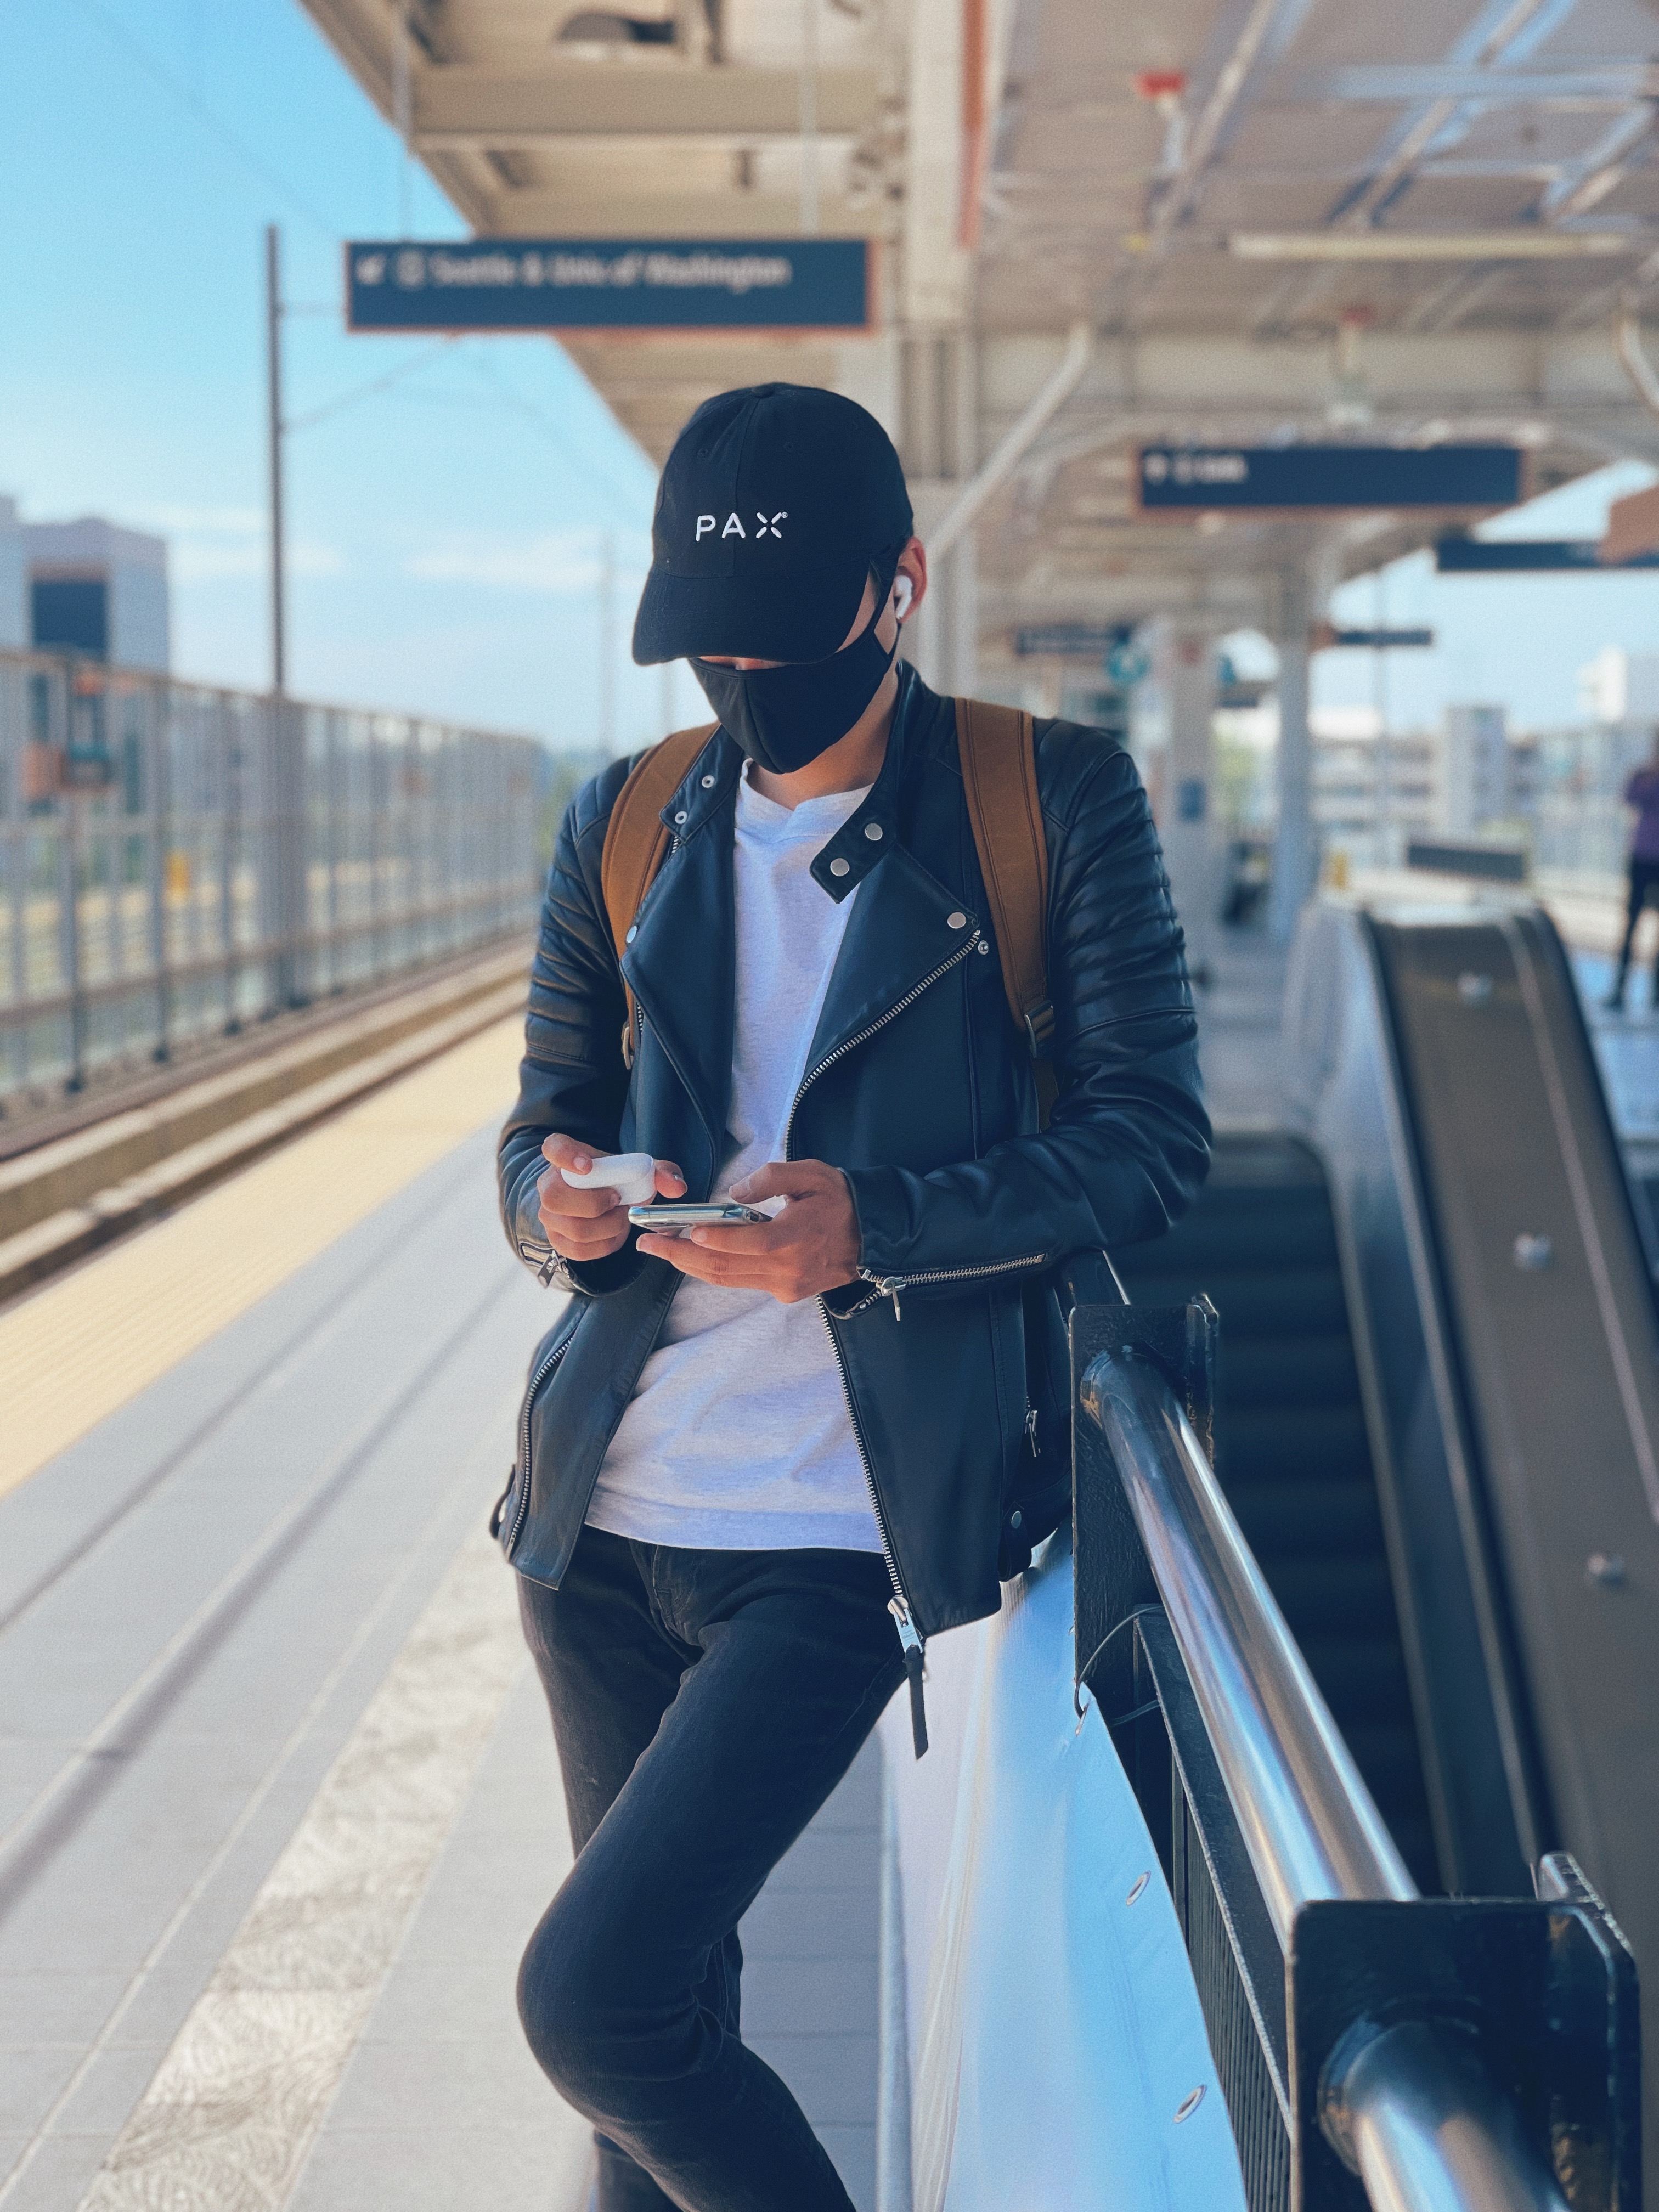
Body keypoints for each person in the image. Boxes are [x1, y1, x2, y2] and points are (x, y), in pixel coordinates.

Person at [493, 382, 1209, 2212]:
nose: (741, 673)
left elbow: (1149, 1144)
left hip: (833, 1526)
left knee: (595, 1997)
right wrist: (564, 1213)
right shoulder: (626, 819)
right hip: (600, 1519)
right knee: (663, 2041)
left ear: (894, 590)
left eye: (781, 633)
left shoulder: (1042, 800)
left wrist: (870, 1228)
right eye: (704, 642)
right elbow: (538, 1134)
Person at [1605, 733, 1659, 1012]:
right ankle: (1620, 989)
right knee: (1632, 924)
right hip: (1642, 859)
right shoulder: (1644, 775)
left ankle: (1656, 995)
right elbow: (1629, 798)